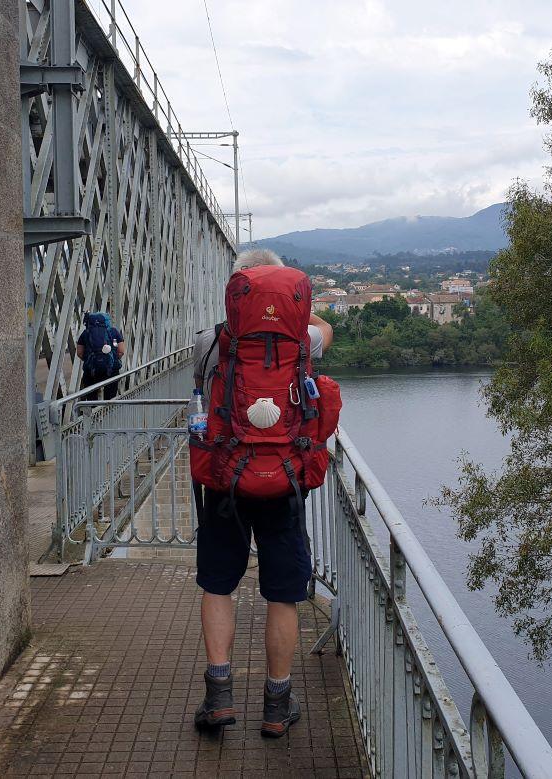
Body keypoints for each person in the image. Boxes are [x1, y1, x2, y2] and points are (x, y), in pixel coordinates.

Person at [191, 249, 334, 738]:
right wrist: (291, 309)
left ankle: (219, 697)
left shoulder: (208, 342)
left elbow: (202, 393)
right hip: (286, 480)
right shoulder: (302, 341)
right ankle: (277, 703)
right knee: (282, 595)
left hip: (225, 480)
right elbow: (326, 329)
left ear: (235, 290)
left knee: (218, 586)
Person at [76, 312, 125, 400]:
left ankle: (93, 408)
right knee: (110, 399)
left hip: (91, 372)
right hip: (111, 371)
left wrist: (89, 360)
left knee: (92, 400)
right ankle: (108, 408)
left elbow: (79, 353)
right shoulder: (113, 332)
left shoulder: (85, 333)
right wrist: (114, 359)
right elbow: (121, 351)